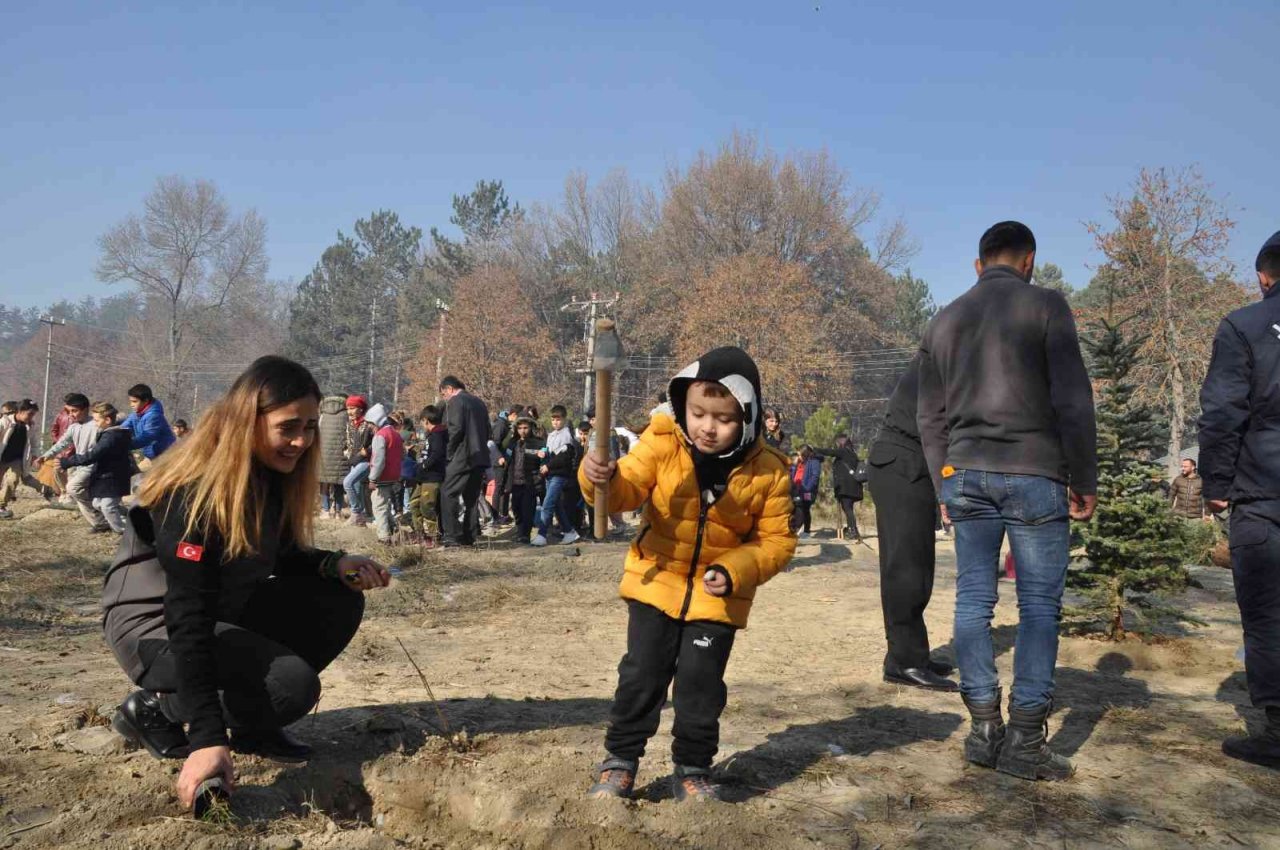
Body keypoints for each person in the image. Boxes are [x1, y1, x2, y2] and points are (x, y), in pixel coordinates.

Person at [101, 356, 391, 812]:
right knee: (290, 686)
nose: (301, 441)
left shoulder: (267, 477)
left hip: (220, 609)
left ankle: (253, 726)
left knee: (337, 598)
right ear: (247, 422)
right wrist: (206, 739)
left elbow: (280, 554)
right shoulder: (192, 493)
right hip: (154, 627)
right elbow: (187, 615)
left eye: (309, 427)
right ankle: (157, 707)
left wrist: (334, 564)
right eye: (287, 427)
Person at [918, 221, 1097, 782]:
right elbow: (1073, 398)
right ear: (1029, 261)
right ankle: (1024, 741)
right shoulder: (1046, 306)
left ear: (979, 265)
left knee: (974, 600)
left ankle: (982, 731)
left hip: (965, 472)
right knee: (1039, 606)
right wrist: (1084, 475)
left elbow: (929, 416)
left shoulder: (943, 320)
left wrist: (943, 482)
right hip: (1034, 471)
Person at [579, 346, 796, 802]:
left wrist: (734, 570)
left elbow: (777, 542)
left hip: (717, 598)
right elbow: (624, 490)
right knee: (641, 676)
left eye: (723, 418)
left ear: (749, 417)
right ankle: (620, 760)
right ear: (682, 405)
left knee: (701, 687)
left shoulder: (769, 471)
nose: (707, 427)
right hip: (655, 580)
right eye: (698, 413)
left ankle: (693, 769)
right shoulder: (661, 442)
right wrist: (599, 477)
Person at [1198, 229, 1280, 769]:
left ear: (1263, 277)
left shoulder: (1243, 326)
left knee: (1268, 613)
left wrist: (1217, 486)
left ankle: (1277, 730)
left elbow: (1223, 411)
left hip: (1263, 492)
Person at [866, 355, 958, 692]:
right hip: (901, 462)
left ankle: (913, 654)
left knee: (918, 568)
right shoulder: (944, 357)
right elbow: (938, 427)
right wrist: (948, 485)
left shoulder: (949, 353)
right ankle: (903, 662)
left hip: (911, 462)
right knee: (905, 569)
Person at [57, 403, 133, 533]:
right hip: (107, 476)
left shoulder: (111, 436)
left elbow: (93, 455)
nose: (95, 423)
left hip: (115, 478)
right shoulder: (110, 434)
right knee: (97, 504)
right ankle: (126, 519)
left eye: (97, 420)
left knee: (108, 507)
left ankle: (125, 532)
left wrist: (68, 462)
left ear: (107, 420)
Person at [36, 396, 105, 530]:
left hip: (94, 465)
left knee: (73, 488)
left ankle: (103, 518)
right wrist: (45, 456)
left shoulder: (96, 425)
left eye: (74, 411)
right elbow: (61, 443)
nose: (71, 415)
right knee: (80, 493)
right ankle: (100, 523)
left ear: (85, 409)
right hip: (80, 465)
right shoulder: (73, 427)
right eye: (69, 411)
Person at [439, 376, 490, 547]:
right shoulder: (479, 402)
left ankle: (452, 536)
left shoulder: (456, 401)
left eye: (443, 394)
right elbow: (487, 430)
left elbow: (456, 430)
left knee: (448, 492)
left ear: (449, 389)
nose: (444, 398)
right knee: (471, 497)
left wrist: (448, 453)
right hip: (480, 455)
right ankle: (470, 535)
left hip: (462, 456)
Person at [532, 405, 581, 547]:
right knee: (556, 505)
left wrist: (548, 465)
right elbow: (550, 453)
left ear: (564, 419)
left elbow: (563, 457)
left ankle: (542, 534)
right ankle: (569, 532)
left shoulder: (566, 436)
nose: (555, 422)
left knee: (547, 504)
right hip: (550, 474)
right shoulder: (551, 435)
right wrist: (543, 456)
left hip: (560, 475)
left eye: (558, 419)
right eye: (553, 419)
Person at [408, 404, 448, 545]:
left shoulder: (438, 435)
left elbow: (437, 454)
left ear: (426, 420)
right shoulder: (431, 435)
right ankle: (419, 533)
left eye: (421, 421)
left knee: (427, 506)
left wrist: (425, 465)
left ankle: (433, 535)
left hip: (432, 477)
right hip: (423, 478)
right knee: (414, 503)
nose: (421, 425)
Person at [812, 436, 864, 541]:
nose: (836, 446)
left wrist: (815, 449)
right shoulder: (853, 453)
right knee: (849, 508)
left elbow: (829, 452)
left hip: (846, 487)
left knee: (847, 508)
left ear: (841, 443)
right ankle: (853, 529)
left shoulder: (844, 452)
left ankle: (853, 531)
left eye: (837, 443)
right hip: (854, 486)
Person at [365, 404, 404, 545]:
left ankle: (384, 537)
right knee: (385, 505)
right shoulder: (395, 434)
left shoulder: (380, 436)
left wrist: (372, 478)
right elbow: (402, 455)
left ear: (376, 421)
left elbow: (378, 460)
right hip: (394, 475)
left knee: (378, 506)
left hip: (382, 477)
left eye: (370, 423)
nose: (369, 426)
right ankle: (394, 529)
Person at [502, 415, 543, 543]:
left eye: (525, 428)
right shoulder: (512, 442)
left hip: (530, 482)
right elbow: (505, 453)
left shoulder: (538, 443)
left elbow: (542, 459)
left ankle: (525, 535)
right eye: (519, 428)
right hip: (514, 481)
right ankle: (520, 532)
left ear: (531, 428)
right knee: (516, 508)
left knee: (528, 510)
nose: (522, 431)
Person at [0, 399, 43, 518]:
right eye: (30, 414)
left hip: (17, 459)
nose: (31, 417)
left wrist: (35, 455)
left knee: (12, 480)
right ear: (19, 411)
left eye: (33, 414)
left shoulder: (30, 426)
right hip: (2, 457)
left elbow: (34, 443)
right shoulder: (5, 422)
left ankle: (1, 506)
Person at [120, 384, 177, 462]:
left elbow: (147, 437)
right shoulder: (137, 413)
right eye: (130, 401)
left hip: (166, 454)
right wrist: (112, 432)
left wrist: (125, 445)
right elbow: (125, 426)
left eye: (134, 401)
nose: (131, 405)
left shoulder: (154, 416)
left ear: (146, 401)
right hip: (153, 454)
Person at [342, 395, 375, 527]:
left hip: (366, 460)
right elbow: (347, 442)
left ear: (360, 409)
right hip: (353, 460)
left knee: (347, 483)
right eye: (348, 409)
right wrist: (345, 451)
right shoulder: (350, 424)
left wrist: (367, 451)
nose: (349, 411)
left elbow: (377, 441)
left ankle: (355, 512)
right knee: (356, 489)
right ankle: (360, 517)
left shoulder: (369, 424)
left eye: (352, 408)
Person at [316, 395, 349, 519]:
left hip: (323, 454)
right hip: (340, 455)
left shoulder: (323, 415)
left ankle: (325, 510)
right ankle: (338, 512)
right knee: (339, 483)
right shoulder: (346, 415)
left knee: (324, 482)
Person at [789, 446, 822, 538]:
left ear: (805, 454)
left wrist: (807, 488)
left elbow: (815, 477)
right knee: (795, 508)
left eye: (800, 454)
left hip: (807, 491)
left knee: (804, 508)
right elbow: (792, 473)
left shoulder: (814, 462)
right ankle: (795, 528)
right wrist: (794, 464)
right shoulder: (800, 462)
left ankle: (805, 531)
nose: (798, 456)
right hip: (796, 489)